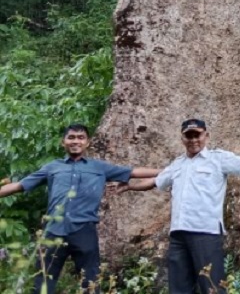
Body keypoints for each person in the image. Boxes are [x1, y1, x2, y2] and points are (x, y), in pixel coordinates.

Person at [121, 119, 240, 294]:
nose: (193, 140)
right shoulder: (177, 164)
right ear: (182, 138)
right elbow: (155, 181)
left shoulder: (218, 159)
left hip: (205, 232)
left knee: (212, 286)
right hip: (178, 234)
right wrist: (130, 186)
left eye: (197, 135)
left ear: (206, 136)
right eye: (189, 136)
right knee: (178, 288)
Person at [0, 123, 160, 293]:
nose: (76, 141)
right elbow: (20, 185)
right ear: (63, 142)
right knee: (42, 283)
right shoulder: (52, 167)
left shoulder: (99, 167)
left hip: (84, 230)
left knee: (91, 283)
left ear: (87, 142)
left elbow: (133, 172)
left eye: (80, 138)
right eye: (71, 137)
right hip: (53, 230)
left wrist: (170, 170)